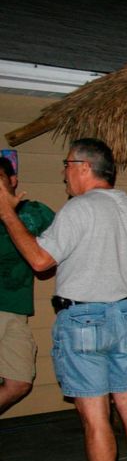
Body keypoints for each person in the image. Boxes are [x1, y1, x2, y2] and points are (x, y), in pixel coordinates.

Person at [0, 138, 127, 461]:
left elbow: (41, 261)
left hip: (82, 321)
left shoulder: (78, 209)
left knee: (95, 417)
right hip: (124, 315)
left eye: (67, 166)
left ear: (83, 167)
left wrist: (6, 213)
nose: (64, 174)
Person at [0, 157, 54, 415]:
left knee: (19, 381)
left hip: (15, 310)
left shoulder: (35, 212)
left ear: (12, 181)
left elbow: (68, 239)